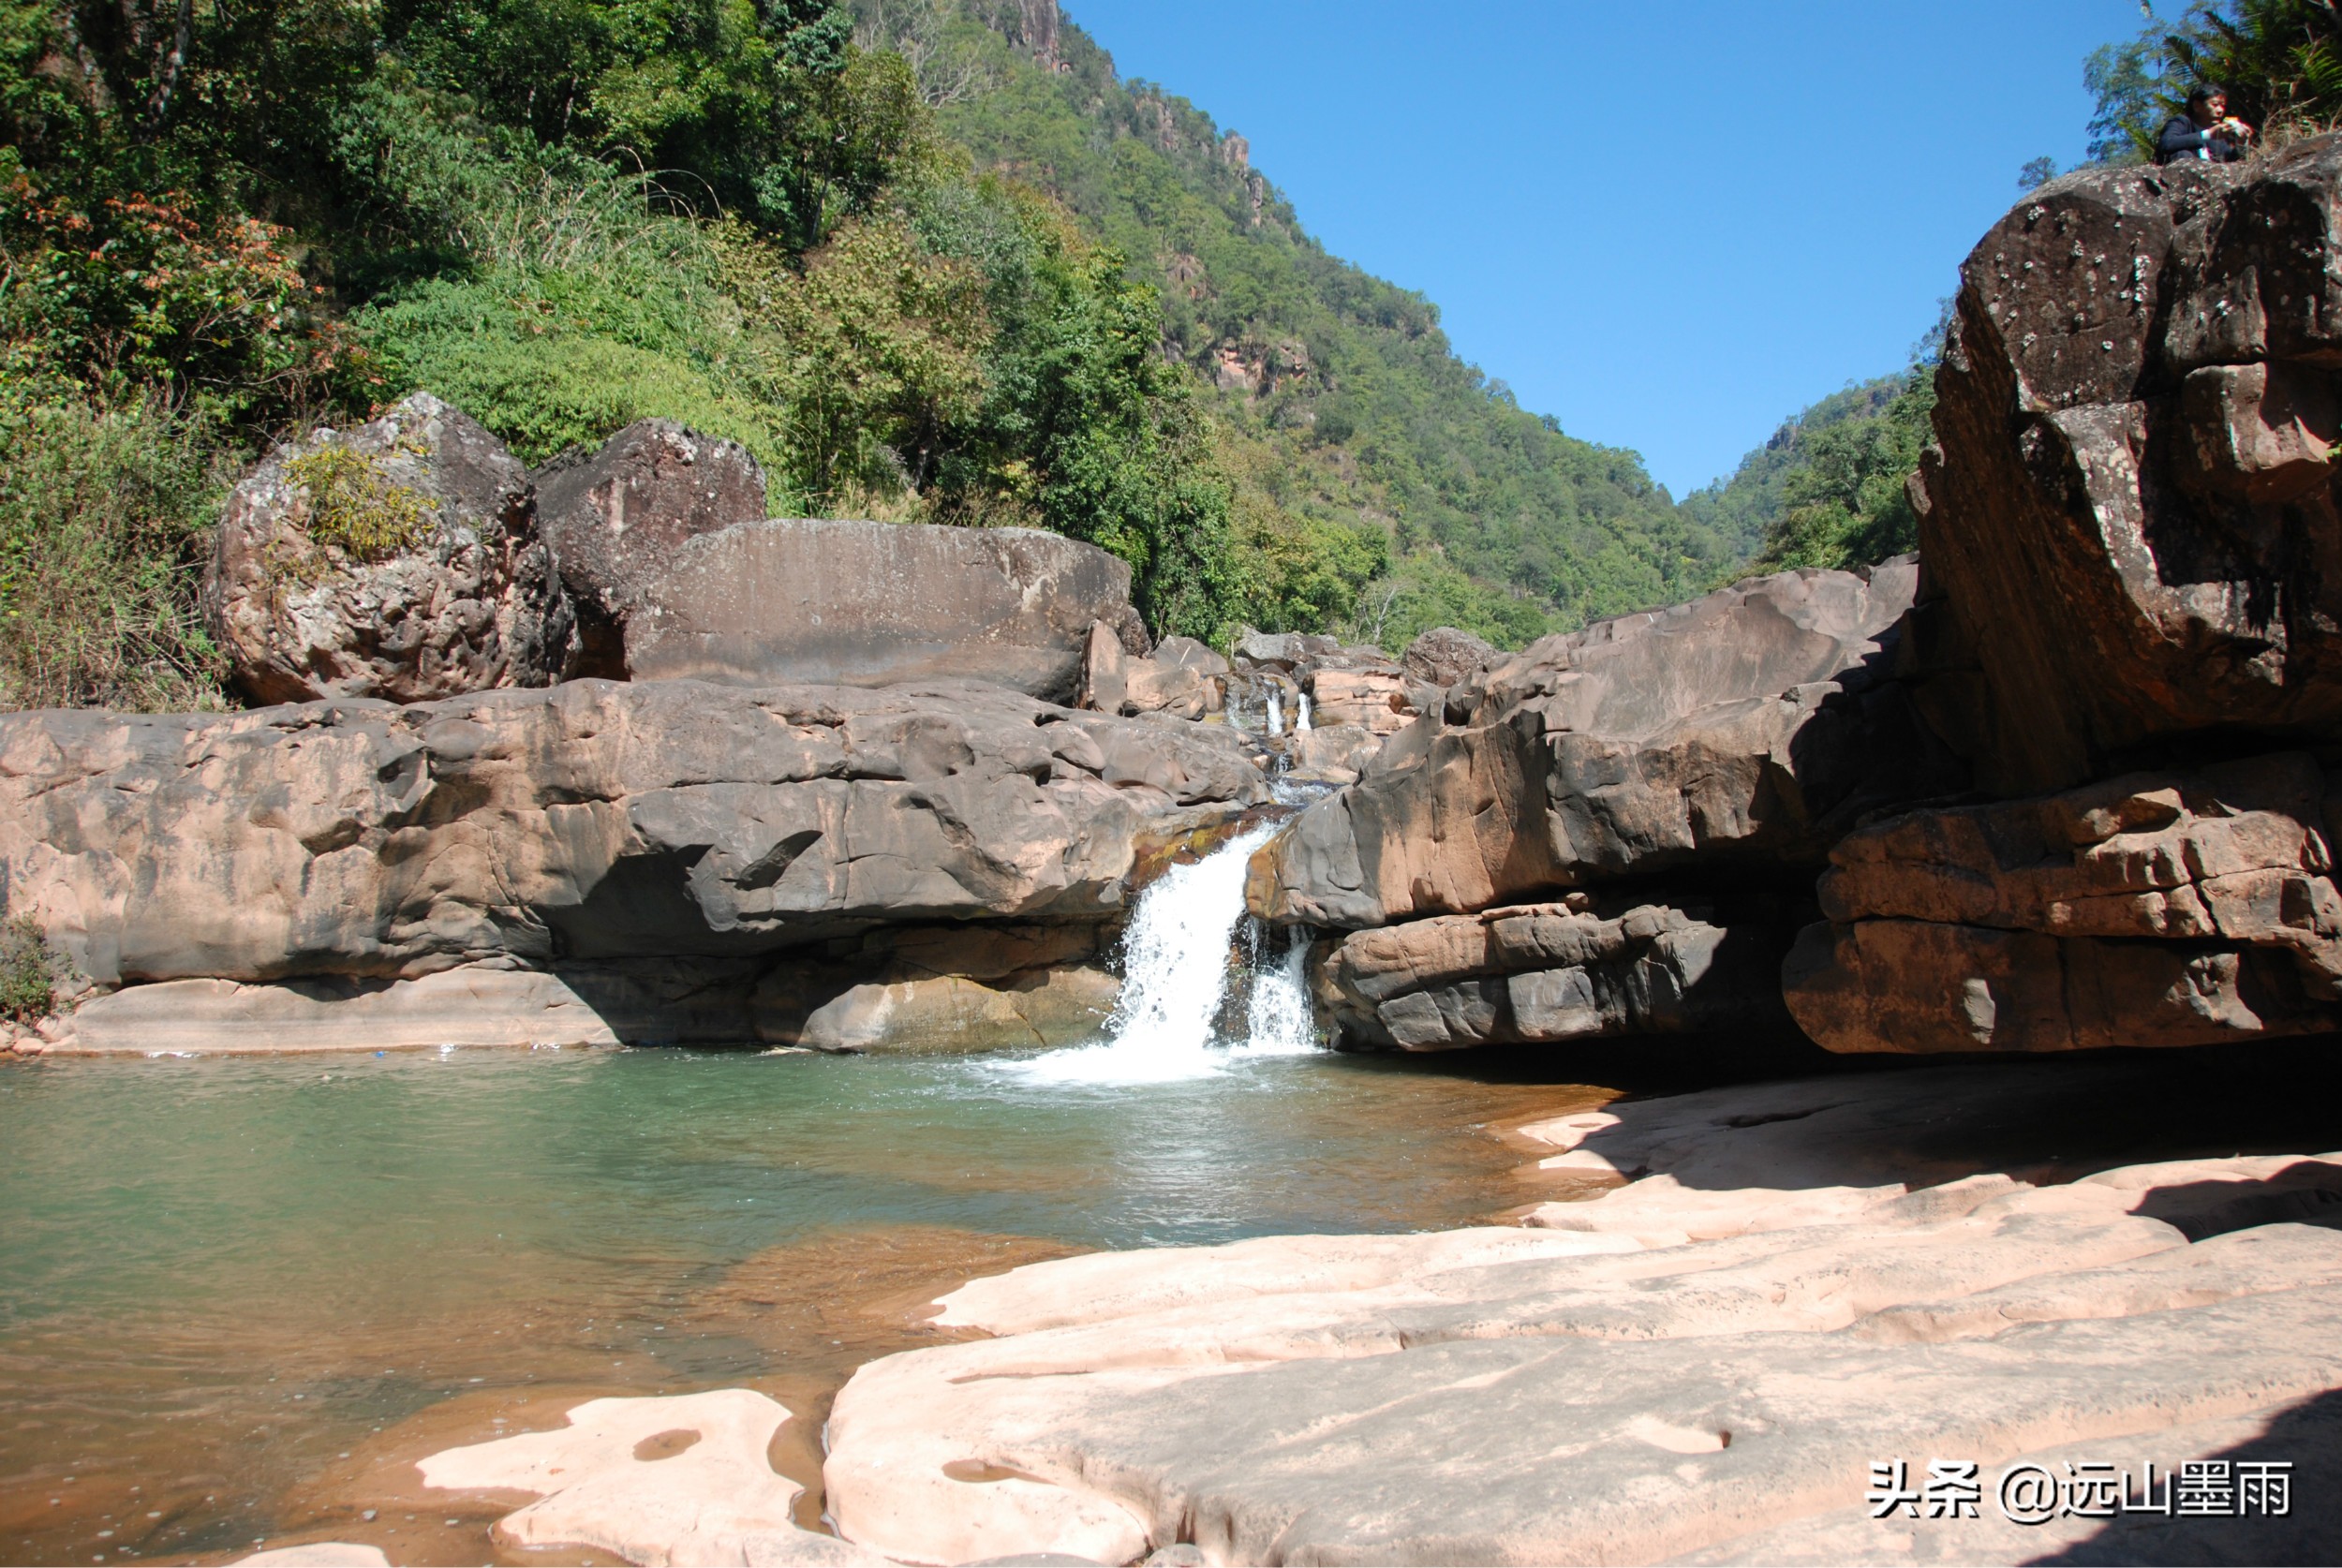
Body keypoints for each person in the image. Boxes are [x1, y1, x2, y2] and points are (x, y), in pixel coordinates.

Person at [2157, 85, 2254, 164]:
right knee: (2183, 154)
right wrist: (2208, 134)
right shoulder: (2182, 122)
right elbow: (2167, 143)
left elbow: (2230, 162)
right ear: (2197, 106)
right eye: (2215, 105)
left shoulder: (2218, 138)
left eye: (2223, 105)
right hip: (2180, 181)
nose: (2221, 110)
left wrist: (2241, 144)